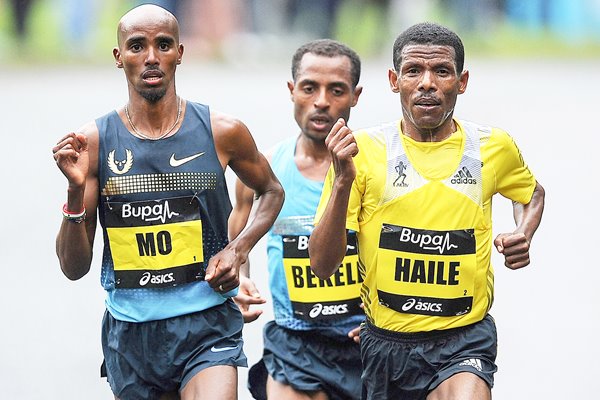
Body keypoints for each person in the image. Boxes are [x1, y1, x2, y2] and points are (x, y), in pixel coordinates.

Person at [51, 4, 284, 400]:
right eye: (137, 46)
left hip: (207, 325)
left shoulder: (221, 132)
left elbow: (271, 191)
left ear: (180, 52)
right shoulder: (93, 142)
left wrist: (237, 250)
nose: (151, 58)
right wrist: (75, 194)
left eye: (163, 45)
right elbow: (74, 268)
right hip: (132, 335)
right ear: (118, 56)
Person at [309, 22, 545, 400]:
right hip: (386, 345)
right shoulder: (363, 151)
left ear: (462, 81)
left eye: (442, 71)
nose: (427, 83)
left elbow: (531, 193)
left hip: (464, 340)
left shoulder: (492, 146)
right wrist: (341, 183)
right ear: (394, 79)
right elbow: (322, 265)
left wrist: (524, 231)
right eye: (414, 71)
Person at [228, 39, 364, 400]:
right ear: (292, 91)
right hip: (294, 344)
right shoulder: (264, 172)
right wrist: (240, 283)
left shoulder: (373, 170)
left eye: (336, 90)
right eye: (309, 88)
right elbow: (236, 247)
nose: (321, 101)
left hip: (365, 343)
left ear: (355, 96)